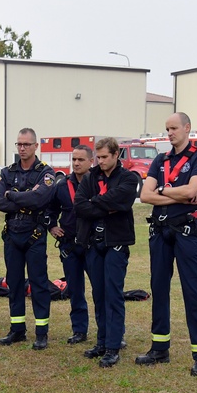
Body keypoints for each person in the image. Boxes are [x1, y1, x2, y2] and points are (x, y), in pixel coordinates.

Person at [136, 112, 197, 376]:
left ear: (187, 128)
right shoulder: (161, 159)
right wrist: (173, 194)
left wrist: (162, 191)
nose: (169, 133)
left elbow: (193, 191)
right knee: (158, 288)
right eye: (166, 129)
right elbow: (144, 195)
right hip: (159, 231)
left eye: (173, 128)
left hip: (187, 231)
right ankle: (159, 347)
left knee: (193, 291)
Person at [74, 138, 140, 367]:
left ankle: (113, 346)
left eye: (104, 157)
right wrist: (105, 205)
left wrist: (96, 201)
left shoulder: (129, 178)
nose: (100, 161)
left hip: (116, 242)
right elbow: (80, 205)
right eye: (98, 157)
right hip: (93, 242)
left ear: (116, 155)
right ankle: (101, 341)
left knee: (113, 294)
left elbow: (123, 201)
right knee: (99, 294)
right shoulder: (91, 177)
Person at [0, 127, 58, 350]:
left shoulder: (45, 172)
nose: (22, 148)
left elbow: (40, 199)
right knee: (14, 283)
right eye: (19, 144)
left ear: (35, 146)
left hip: (35, 235)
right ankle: (17, 330)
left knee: (39, 283)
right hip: (12, 234)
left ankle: (41, 333)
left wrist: (13, 195)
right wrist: (23, 198)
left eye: (27, 144)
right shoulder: (8, 171)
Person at [47, 145, 93, 345]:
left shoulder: (97, 183)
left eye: (81, 160)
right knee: (75, 290)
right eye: (74, 159)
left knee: (102, 291)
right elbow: (50, 210)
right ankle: (79, 330)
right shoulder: (62, 185)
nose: (76, 163)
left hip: (93, 245)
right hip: (69, 245)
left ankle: (109, 332)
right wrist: (51, 227)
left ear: (91, 161)